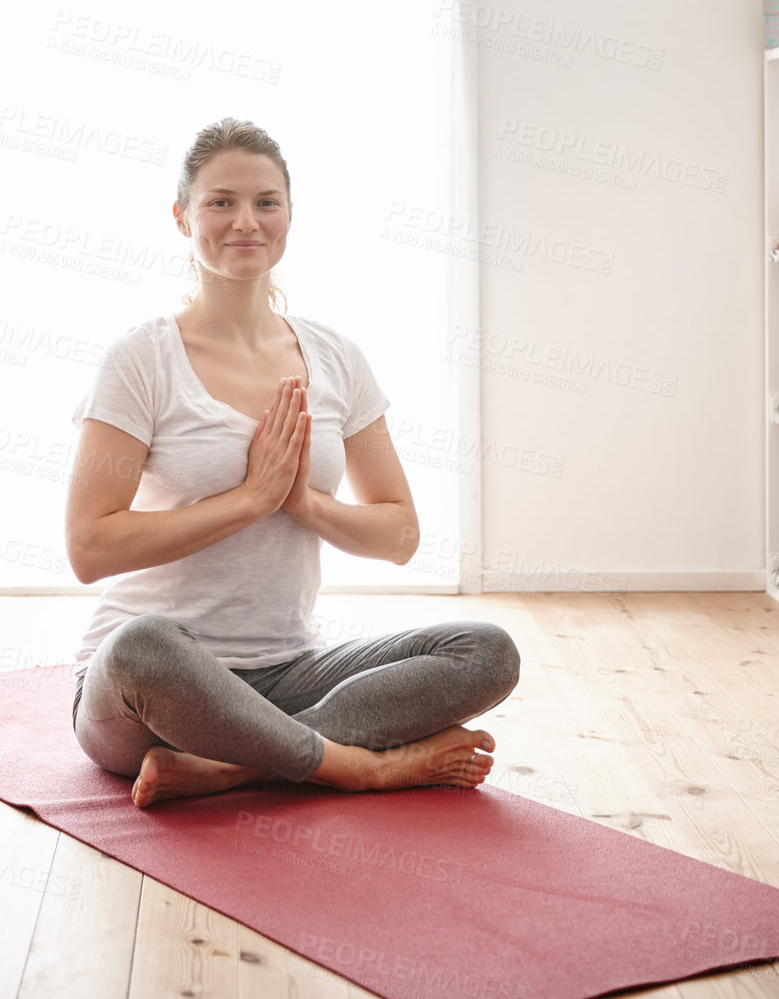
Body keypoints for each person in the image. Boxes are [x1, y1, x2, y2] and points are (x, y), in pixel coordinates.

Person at [65, 116, 520, 809]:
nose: (245, 220)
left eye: (265, 201)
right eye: (221, 201)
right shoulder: (141, 359)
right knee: (141, 645)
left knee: (485, 650)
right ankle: (357, 766)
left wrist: (302, 502)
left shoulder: (335, 357)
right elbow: (89, 548)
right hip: (153, 690)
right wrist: (248, 499)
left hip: (287, 670)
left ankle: (234, 767)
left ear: (288, 215)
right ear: (183, 215)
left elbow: (399, 534)